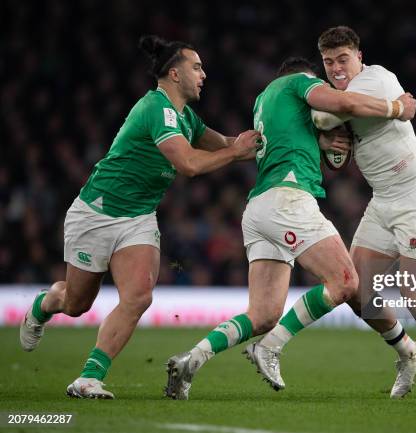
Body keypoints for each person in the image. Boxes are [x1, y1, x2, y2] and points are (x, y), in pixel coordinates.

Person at [18, 35, 260, 399]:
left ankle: (89, 377)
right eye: (196, 67)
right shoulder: (156, 109)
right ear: (174, 74)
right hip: (97, 213)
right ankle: (43, 305)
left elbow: (229, 145)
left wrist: (270, 142)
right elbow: (189, 165)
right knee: (76, 303)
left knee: (139, 296)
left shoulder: (185, 118)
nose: (204, 74)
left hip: (138, 219)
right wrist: (235, 150)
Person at [163, 56, 416, 400]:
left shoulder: (264, 100)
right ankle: (271, 348)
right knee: (345, 281)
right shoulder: (299, 82)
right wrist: (395, 106)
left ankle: (191, 360)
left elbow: (292, 138)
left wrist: (322, 143)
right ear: (306, 80)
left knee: (264, 314)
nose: (321, 91)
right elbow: (342, 102)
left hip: (259, 208)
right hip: (288, 200)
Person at [256, 26, 416, 400]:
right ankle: (407, 353)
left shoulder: (377, 78)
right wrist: (326, 142)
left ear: (359, 56)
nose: (336, 67)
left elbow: (330, 115)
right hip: (383, 200)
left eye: (343, 59)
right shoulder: (338, 97)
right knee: (356, 289)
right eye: (328, 61)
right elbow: (336, 146)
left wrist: (324, 124)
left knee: (414, 292)